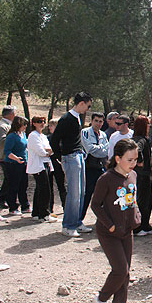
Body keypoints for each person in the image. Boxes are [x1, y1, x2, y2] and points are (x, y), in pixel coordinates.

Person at [91, 138, 141, 303]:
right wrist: (110, 225)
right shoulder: (106, 179)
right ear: (118, 158)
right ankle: (100, 298)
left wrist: (137, 217)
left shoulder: (133, 176)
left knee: (126, 273)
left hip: (127, 231)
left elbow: (133, 199)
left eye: (135, 159)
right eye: (129, 160)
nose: (133, 164)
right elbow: (95, 205)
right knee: (120, 269)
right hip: (109, 232)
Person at [50, 91, 93, 237]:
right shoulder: (66, 118)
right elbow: (54, 139)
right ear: (81, 103)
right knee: (74, 193)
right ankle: (68, 225)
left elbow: (75, 138)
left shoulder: (77, 118)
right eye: (88, 106)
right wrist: (59, 156)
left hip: (79, 156)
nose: (88, 109)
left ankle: (77, 222)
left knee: (81, 192)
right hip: (70, 157)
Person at [27, 116, 56, 223]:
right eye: (39, 122)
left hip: (46, 164)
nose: (42, 123)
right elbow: (41, 151)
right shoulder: (33, 135)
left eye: (43, 122)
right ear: (34, 123)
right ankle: (44, 214)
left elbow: (50, 150)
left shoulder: (43, 136)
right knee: (44, 190)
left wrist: (47, 151)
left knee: (40, 189)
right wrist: (46, 152)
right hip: (38, 165)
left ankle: (36, 212)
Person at [81, 112, 109, 221]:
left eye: (100, 121)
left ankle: (103, 220)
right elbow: (89, 149)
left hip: (100, 167)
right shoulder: (85, 132)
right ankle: (79, 220)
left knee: (103, 194)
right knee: (86, 194)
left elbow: (106, 151)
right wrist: (100, 149)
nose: (98, 123)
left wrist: (98, 149)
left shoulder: (103, 134)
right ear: (91, 121)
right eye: (96, 121)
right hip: (88, 168)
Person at [132, 115, 152, 236]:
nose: (149, 127)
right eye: (147, 125)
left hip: (143, 174)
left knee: (148, 200)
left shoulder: (139, 138)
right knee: (143, 201)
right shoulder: (140, 140)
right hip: (142, 175)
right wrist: (140, 161)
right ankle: (138, 226)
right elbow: (137, 149)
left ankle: (145, 225)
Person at [3, 116, 30, 216]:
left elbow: (24, 148)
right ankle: (12, 207)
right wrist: (16, 159)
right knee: (13, 185)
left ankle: (25, 205)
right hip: (13, 164)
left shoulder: (22, 134)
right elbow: (7, 151)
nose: (25, 127)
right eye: (24, 124)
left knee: (23, 185)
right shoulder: (11, 136)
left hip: (23, 163)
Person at [0, 105, 16, 209]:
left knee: (11, 178)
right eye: (14, 113)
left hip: (9, 156)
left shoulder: (7, 125)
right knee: (9, 178)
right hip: (4, 156)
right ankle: (1, 198)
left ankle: (7, 198)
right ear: (11, 114)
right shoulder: (1, 126)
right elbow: (2, 141)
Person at [47, 118, 67, 213]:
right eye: (49, 125)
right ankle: (49, 207)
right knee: (49, 186)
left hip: (58, 164)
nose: (49, 127)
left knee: (61, 186)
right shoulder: (46, 138)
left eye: (52, 125)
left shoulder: (62, 138)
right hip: (49, 164)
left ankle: (65, 205)